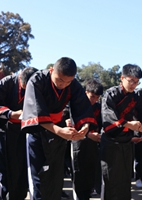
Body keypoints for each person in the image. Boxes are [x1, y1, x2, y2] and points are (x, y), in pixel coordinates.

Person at [21, 57, 98, 200]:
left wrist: (85, 127)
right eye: (60, 80)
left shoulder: (73, 85)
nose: (63, 85)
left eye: (68, 81)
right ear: (51, 70)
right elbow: (36, 113)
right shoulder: (36, 81)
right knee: (39, 177)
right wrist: (59, 130)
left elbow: (82, 108)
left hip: (59, 132)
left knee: (56, 177)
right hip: (38, 131)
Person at [101, 64, 142, 200]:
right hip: (111, 142)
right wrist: (129, 124)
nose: (133, 85)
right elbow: (108, 118)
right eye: (131, 81)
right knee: (110, 178)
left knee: (125, 179)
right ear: (122, 78)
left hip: (127, 142)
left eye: (136, 82)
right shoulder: (111, 94)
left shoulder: (137, 96)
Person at [0, 67, 38, 200]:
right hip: (6, 131)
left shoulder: (38, 84)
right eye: (25, 86)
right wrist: (10, 113)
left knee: (23, 170)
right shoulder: (7, 83)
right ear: (20, 77)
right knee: (7, 171)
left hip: (26, 132)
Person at [71, 79, 103, 200]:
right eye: (92, 96)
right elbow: (71, 123)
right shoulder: (76, 105)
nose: (94, 100)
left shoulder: (99, 108)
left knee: (90, 176)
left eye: (97, 98)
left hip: (93, 146)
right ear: (86, 92)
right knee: (79, 176)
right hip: (78, 144)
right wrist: (88, 134)